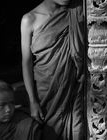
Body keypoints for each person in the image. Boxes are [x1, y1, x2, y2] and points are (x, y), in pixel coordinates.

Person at [21, 0, 85, 139]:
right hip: (46, 91)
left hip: (74, 87)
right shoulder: (30, 19)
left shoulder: (78, 9)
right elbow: (26, 63)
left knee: (77, 132)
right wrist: (32, 101)